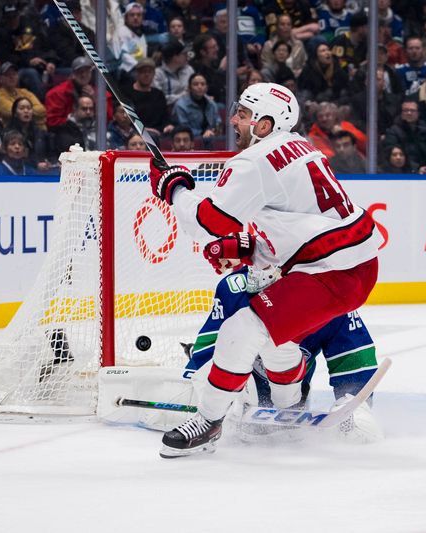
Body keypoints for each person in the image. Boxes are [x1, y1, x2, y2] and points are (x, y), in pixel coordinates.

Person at [148, 82, 381, 457]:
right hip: (343, 262)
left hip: (330, 273)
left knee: (241, 329)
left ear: (264, 124)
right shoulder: (302, 146)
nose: (233, 119)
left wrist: (174, 187)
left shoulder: (254, 160)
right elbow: (295, 220)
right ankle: (289, 405)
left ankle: (208, 420)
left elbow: (210, 222)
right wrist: (249, 248)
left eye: (243, 113)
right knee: (277, 340)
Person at [183, 265, 382, 443]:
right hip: (239, 393)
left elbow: (353, 360)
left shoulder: (331, 295)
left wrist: (353, 403)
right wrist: (211, 398)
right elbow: (207, 352)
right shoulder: (234, 288)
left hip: (292, 397)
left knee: (362, 430)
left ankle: (291, 402)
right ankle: (226, 406)